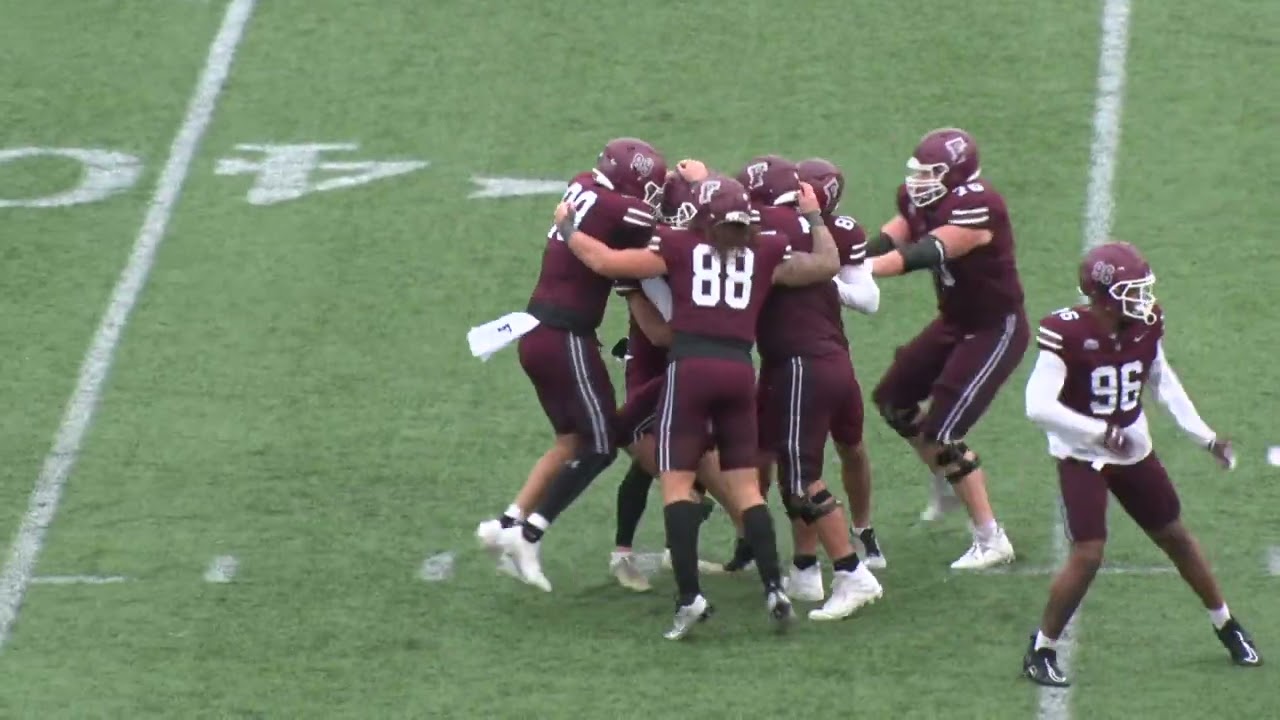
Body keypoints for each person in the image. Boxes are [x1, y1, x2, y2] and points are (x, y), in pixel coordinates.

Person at [561, 170, 839, 638]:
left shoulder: (678, 244)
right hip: (738, 369)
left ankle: (689, 600)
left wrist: (569, 228)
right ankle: (774, 588)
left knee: (677, 485)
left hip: (691, 369)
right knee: (747, 489)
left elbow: (606, 262)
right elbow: (826, 263)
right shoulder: (767, 249)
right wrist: (813, 216)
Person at [1021, 241, 1261, 686]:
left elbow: (1162, 382)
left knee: (1176, 536)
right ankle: (1041, 649)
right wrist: (1095, 432)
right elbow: (1036, 405)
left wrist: (1204, 436)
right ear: (1104, 294)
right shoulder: (1066, 331)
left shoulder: (1146, 325)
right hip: (1081, 453)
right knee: (1089, 553)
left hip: (1131, 447)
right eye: (1134, 291)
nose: (1144, 300)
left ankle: (1227, 625)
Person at [474, 138, 666, 592]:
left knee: (571, 439)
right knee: (601, 444)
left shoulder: (583, 185)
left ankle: (507, 522)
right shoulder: (620, 207)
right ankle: (530, 534)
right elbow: (666, 230)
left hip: (536, 331)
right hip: (565, 337)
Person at [867, 128, 1024, 569]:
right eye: (917, 171)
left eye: (930, 173)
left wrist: (861, 272)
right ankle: (947, 478)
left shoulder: (978, 206)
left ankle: (991, 538)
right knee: (894, 401)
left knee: (944, 433)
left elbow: (926, 252)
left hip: (995, 328)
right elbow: (895, 236)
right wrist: (851, 256)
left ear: (956, 174)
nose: (918, 181)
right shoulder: (922, 198)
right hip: (955, 321)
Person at [739, 155, 882, 621]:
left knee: (801, 476)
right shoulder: (807, 225)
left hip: (802, 362)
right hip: (824, 358)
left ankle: (850, 572)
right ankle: (806, 567)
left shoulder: (762, 230)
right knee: (797, 466)